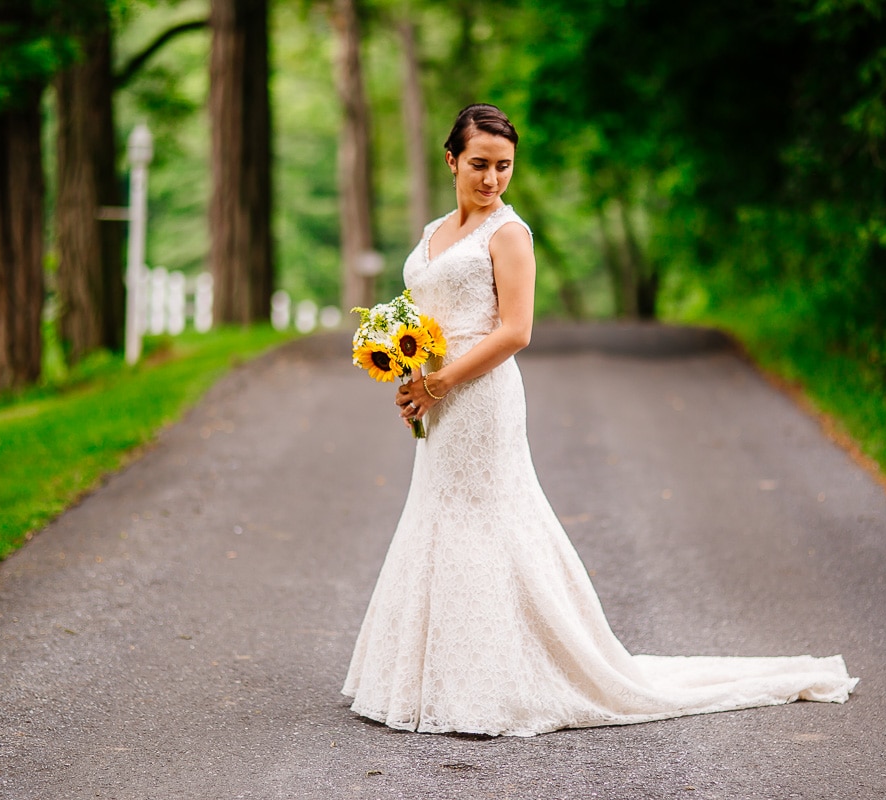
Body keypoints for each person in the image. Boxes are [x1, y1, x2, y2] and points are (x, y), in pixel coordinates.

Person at [341, 104, 857, 737]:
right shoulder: (431, 235)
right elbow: (425, 321)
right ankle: (428, 673)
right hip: (440, 400)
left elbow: (516, 330)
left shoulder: (509, 235)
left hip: (481, 399)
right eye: (479, 165)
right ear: (451, 160)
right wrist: (411, 380)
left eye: (504, 167)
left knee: (484, 520)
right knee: (439, 514)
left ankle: (491, 680)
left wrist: (445, 380)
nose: (492, 180)